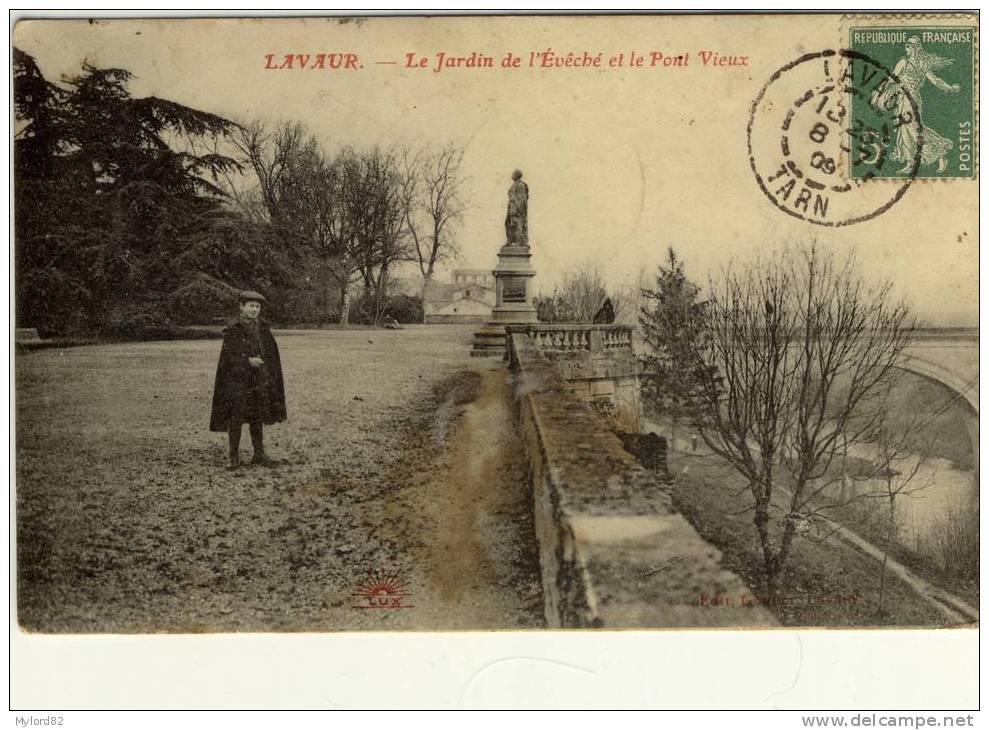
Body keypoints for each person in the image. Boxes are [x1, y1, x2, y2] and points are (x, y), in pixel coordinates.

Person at [209, 290, 287, 470]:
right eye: (251, 306)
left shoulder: (262, 327)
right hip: (237, 381)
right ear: (241, 307)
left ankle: (259, 454)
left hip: (258, 380)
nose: (254, 310)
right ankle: (233, 456)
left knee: (257, 416)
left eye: (257, 306)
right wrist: (247, 361)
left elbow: (270, 352)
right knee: (236, 417)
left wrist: (266, 367)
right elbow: (229, 356)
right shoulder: (233, 328)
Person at [871, 37, 960, 173]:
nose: (906, 49)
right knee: (904, 128)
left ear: (915, 48)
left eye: (909, 46)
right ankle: (910, 163)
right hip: (902, 96)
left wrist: (950, 88)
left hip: (912, 98)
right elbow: (890, 79)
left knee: (913, 128)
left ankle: (940, 153)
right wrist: (878, 92)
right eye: (906, 46)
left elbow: (935, 80)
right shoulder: (903, 62)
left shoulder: (919, 65)